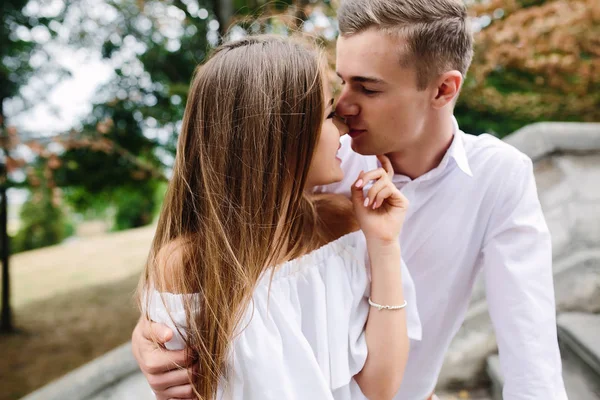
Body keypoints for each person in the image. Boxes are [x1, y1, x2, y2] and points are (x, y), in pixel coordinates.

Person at [135, 0, 569, 398]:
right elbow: (230, 242)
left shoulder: (499, 176)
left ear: (442, 90)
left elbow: (530, 343)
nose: (342, 106)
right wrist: (156, 331)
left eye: (369, 88)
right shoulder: (316, 162)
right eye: (342, 81)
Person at [137, 34, 422, 400]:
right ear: (280, 133)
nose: (342, 132)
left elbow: (380, 389)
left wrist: (384, 244)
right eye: (327, 114)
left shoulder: (342, 227)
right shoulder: (187, 265)